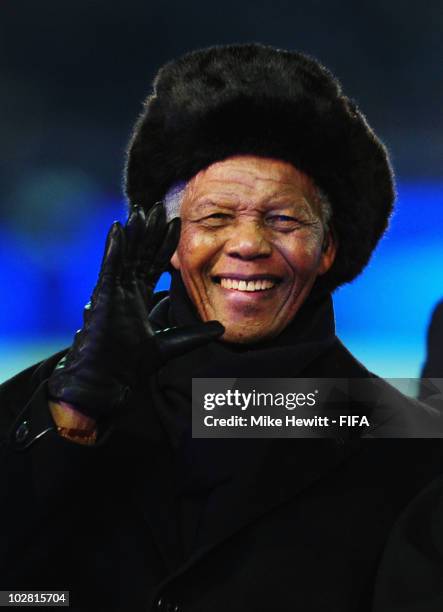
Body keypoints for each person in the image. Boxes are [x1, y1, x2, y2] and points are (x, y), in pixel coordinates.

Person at [1, 43, 442, 612]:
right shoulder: (37, 410)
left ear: (328, 247)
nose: (249, 245)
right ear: (169, 241)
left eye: (283, 220)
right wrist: (72, 419)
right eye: (214, 218)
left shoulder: (404, 449)